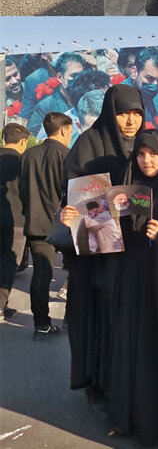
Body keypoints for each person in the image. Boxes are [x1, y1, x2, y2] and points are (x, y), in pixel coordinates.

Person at [61, 83, 144, 406]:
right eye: (124, 113)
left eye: (137, 114)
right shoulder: (88, 144)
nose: (130, 121)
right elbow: (71, 190)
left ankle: (121, 378)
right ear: (111, 112)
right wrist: (66, 210)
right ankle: (94, 377)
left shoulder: (144, 148)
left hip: (134, 252)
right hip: (95, 253)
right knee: (94, 313)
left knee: (123, 317)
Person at [106, 129, 158, 443]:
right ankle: (126, 416)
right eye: (141, 154)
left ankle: (157, 422)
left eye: (153, 153)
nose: (146, 160)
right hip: (131, 275)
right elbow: (101, 225)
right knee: (129, 343)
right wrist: (73, 214)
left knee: (157, 347)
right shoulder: (127, 185)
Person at [19, 113, 73, 336]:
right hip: (64, 224)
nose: (70, 136)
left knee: (41, 274)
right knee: (74, 273)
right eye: (70, 132)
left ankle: (41, 323)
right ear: (63, 130)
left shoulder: (29, 154)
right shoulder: (67, 156)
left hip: (35, 223)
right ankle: (70, 319)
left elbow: (22, 189)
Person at [0, 123, 29, 320]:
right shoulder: (22, 163)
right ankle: (1, 304)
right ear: (23, 141)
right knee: (9, 261)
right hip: (15, 218)